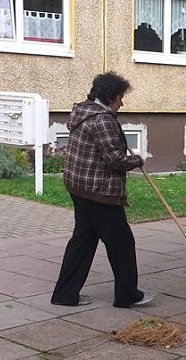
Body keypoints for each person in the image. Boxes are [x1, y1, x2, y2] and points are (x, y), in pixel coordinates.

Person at [51, 71, 155, 307]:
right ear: (110, 97)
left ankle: (65, 295)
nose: (122, 102)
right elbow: (115, 159)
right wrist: (138, 160)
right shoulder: (103, 120)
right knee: (122, 244)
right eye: (120, 97)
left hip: (78, 186)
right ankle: (127, 295)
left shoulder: (84, 112)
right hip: (99, 192)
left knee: (83, 240)